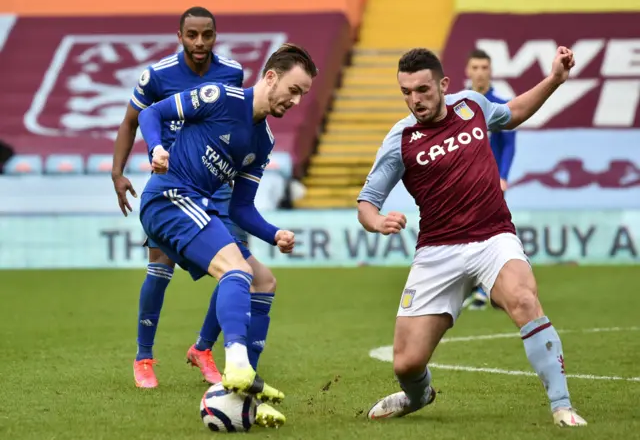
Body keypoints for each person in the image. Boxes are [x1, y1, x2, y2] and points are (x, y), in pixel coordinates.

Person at [358, 47, 587, 427]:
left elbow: (513, 113)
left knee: (524, 299)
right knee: (407, 362)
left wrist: (554, 81)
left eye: (423, 89)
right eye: (407, 92)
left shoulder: (472, 106)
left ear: (444, 85)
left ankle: (562, 406)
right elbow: (367, 202)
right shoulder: (400, 139)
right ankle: (419, 395)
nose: (416, 99)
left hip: (492, 237)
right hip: (437, 251)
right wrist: (377, 221)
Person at [137, 43, 317, 427]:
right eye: (294, 89)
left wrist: (274, 234)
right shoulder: (219, 96)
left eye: (303, 95)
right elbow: (152, 112)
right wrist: (155, 148)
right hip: (167, 197)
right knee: (237, 272)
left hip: (199, 208)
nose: (296, 101)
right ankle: (234, 361)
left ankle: (241, 396)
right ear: (271, 77)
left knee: (264, 281)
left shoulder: (262, 142)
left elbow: (241, 208)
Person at [110, 6, 278, 392]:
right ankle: (144, 357)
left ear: (215, 35)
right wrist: (118, 173)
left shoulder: (231, 73)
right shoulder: (157, 75)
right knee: (160, 267)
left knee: (238, 265)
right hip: (174, 180)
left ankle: (203, 348)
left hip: (218, 183)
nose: (199, 43)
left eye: (207, 35)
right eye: (192, 35)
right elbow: (131, 121)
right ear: (180, 35)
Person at [463, 49, 517, 310]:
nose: (480, 72)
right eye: (476, 67)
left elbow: (509, 144)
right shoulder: (458, 105)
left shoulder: (499, 105)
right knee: (464, 235)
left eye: (485, 67)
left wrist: (503, 176)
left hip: (490, 183)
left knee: (487, 235)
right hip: (462, 185)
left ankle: (487, 289)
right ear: (468, 71)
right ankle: (484, 287)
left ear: (491, 70)